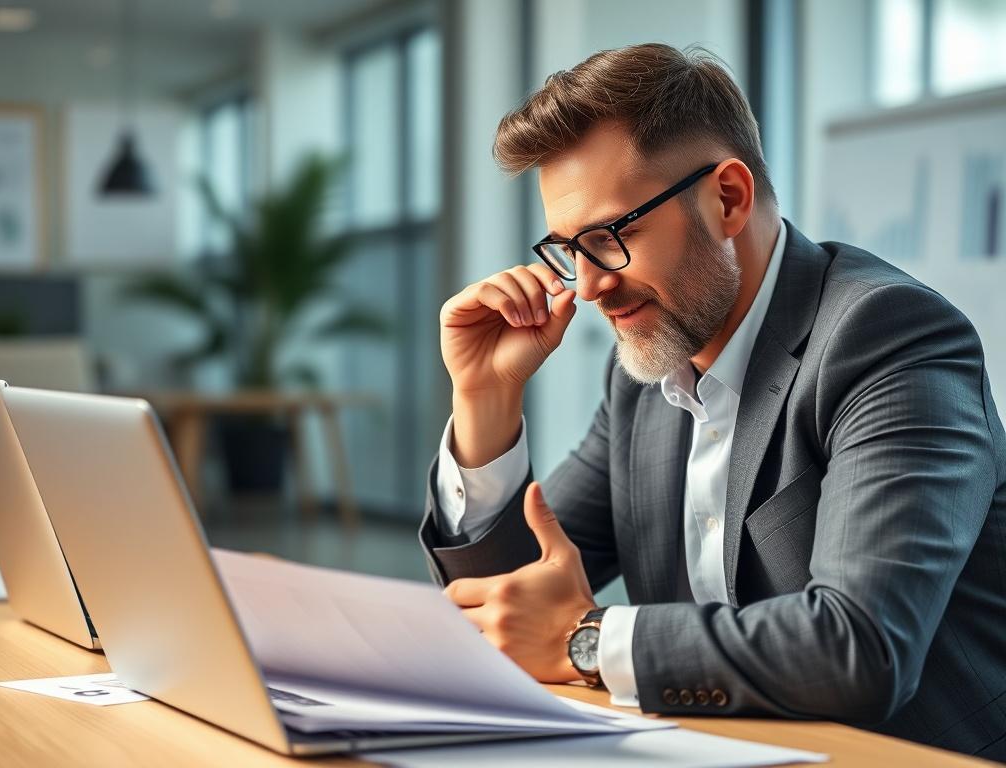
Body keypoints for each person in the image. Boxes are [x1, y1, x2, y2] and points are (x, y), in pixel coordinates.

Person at [417, 43, 1006, 760]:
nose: (590, 286)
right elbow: (509, 612)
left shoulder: (888, 338)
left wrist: (589, 638)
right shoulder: (646, 374)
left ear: (728, 197)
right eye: (569, 248)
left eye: (611, 236)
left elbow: (862, 647)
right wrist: (486, 400)